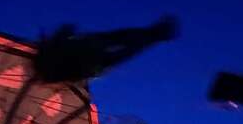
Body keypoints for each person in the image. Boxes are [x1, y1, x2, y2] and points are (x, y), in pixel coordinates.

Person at [34, 16, 179, 83]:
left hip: (86, 58)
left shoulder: (49, 65)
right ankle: (156, 33)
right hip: (86, 56)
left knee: (121, 48)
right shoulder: (50, 59)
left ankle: (155, 34)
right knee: (120, 44)